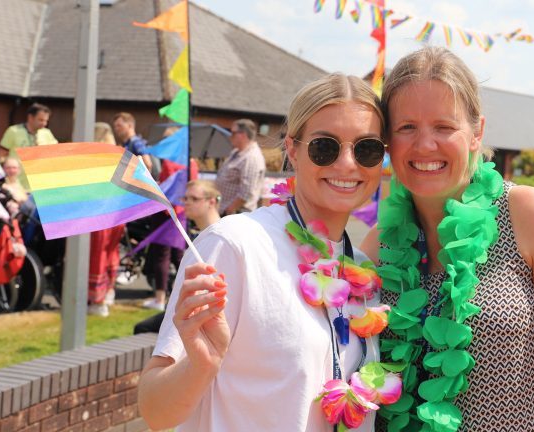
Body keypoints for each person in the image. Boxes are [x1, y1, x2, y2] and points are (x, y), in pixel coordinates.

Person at [359, 46, 534, 431]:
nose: (425, 144)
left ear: (476, 132)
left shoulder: (527, 212)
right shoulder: (376, 245)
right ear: (388, 141)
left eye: (444, 127)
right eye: (406, 127)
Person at [138, 73, 388, 431]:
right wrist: (200, 367)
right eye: (325, 147)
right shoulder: (234, 246)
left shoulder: (363, 275)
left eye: (366, 148)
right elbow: (155, 412)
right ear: (292, 149)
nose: (347, 163)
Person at [134, 180, 222, 333]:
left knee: (143, 329)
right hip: (192, 308)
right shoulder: (203, 234)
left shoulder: (218, 236)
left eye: (194, 199)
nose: (187, 203)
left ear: (211, 202)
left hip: (205, 312)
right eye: (185, 198)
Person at [87, 122, 124, 317]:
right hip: (116, 212)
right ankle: (108, 292)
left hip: (99, 211)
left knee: (97, 254)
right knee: (110, 252)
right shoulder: (119, 155)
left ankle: (98, 301)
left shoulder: (96, 158)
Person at [215, 119, 266, 215]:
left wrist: (229, 210)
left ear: (243, 135)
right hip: (228, 211)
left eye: (233, 133)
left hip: (237, 213)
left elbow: (246, 192)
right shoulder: (237, 152)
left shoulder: (251, 157)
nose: (230, 136)